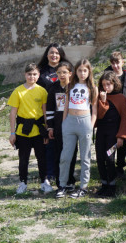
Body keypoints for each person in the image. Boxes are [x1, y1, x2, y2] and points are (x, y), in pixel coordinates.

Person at [56, 59, 98, 199]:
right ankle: (62, 185)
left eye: (85, 70)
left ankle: (83, 187)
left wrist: (90, 126)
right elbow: (65, 107)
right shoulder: (70, 86)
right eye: (79, 70)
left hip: (85, 122)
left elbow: (94, 110)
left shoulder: (92, 88)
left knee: (85, 156)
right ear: (75, 72)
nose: (82, 73)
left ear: (89, 72)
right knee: (65, 156)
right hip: (70, 122)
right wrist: (64, 123)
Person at [8, 63, 51, 194]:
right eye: (29, 74)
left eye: (34, 74)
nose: (31, 76)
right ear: (25, 75)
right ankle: (23, 182)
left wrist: (47, 130)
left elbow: (45, 112)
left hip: (38, 130)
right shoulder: (18, 91)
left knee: (42, 157)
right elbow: (13, 113)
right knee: (23, 158)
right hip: (23, 131)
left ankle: (44, 181)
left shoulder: (42, 91)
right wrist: (12, 132)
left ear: (38, 76)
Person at [37, 43, 70, 184]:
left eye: (57, 53)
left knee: (66, 145)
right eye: (51, 52)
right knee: (50, 144)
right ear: (47, 54)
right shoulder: (41, 72)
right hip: (47, 110)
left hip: (66, 112)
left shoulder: (68, 68)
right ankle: (50, 173)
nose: (54, 55)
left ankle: (66, 173)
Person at [95, 71, 126, 197]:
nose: (106, 87)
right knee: (99, 158)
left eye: (108, 84)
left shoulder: (121, 98)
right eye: (104, 85)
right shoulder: (100, 97)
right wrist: (103, 101)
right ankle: (104, 184)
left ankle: (112, 186)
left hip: (113, 134)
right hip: (101, 133)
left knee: (109, 158)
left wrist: (121, 136)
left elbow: (125, 118)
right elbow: (98, 116)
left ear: (114, 84)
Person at [45, 61, 77, 191]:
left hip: (73, 126)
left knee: (72, 154)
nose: (61, 75)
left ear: (70, 73)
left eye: (64, 72)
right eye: (59, 72)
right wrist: (50, 127)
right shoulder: (53, 88)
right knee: (59, 154)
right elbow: (50, 109)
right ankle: (60, 182)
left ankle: (70, 180)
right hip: (58, 127)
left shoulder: (75, 87)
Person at [105, 51, 126, 178]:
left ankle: (120, 165)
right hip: (109, 112)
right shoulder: (107, 75)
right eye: (113, 63)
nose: (116, 66)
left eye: (118, 63)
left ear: (123, 62)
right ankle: (109, 163)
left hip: (123, 112)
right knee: (111, 139)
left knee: (123, 139)